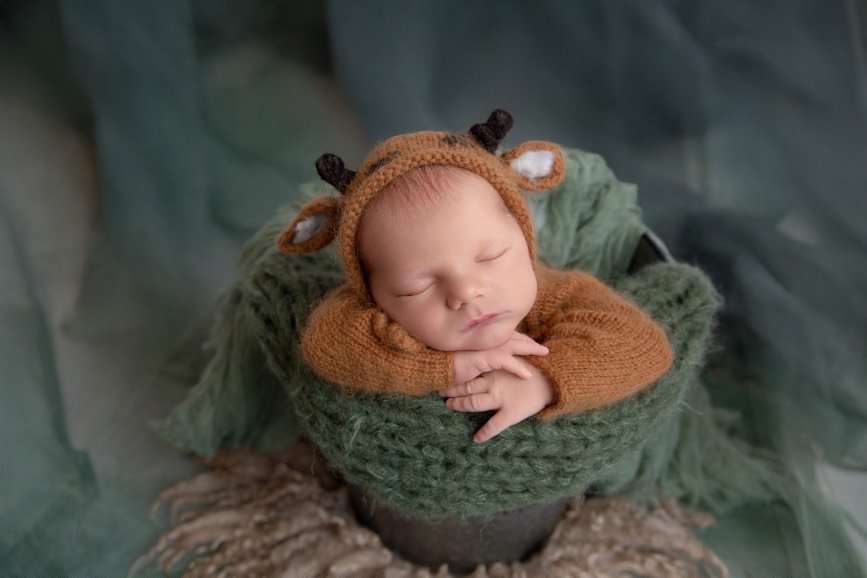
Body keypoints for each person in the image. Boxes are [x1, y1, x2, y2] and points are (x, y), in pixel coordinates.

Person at [277, 109, 673, 443]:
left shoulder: (558, 293)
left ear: (524, 241)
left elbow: (641, 343)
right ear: (372, 293)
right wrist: (445, 367)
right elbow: (326, 345)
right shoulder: (365, 319)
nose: (466, 291)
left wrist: (544, 382)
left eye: (491, 256)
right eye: (420, 286)